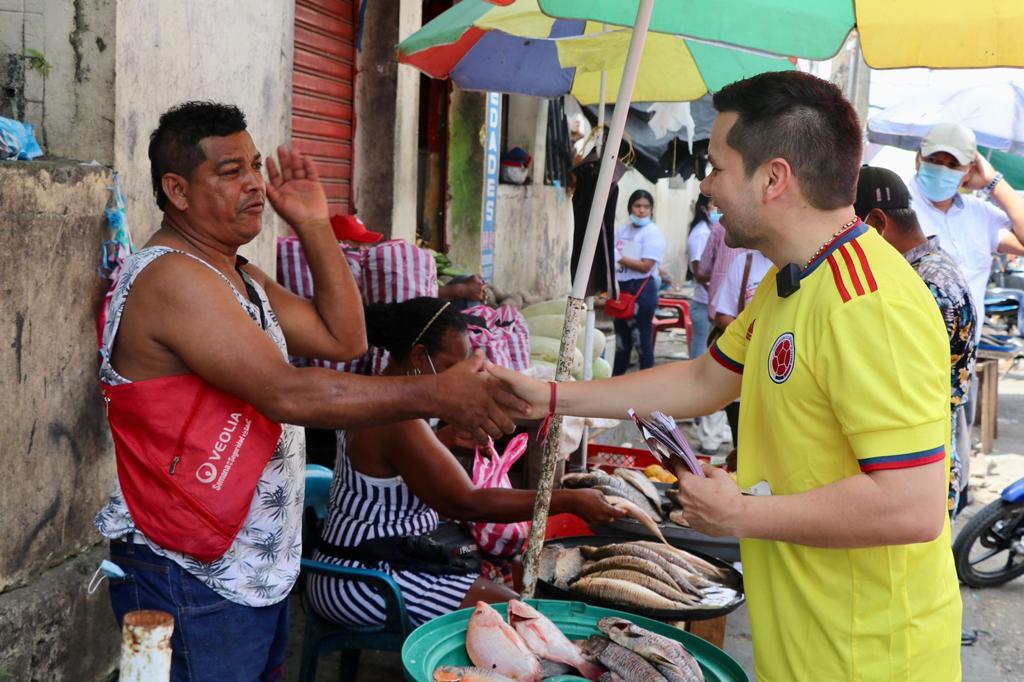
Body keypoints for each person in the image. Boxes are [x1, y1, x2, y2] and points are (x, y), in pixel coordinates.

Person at [493, 72, 961, 680]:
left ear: (773, 179)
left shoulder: (869, 302)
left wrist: (740, 515)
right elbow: (702, 381)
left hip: (870, 655)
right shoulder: (793, 279)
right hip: (804, 641)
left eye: (716, 166)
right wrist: (549, 395)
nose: (706, 185)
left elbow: (912, 507)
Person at [94, 102, 525, 681]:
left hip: (249, 566)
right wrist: (434, 396)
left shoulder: (235, 272)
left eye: (253, 165)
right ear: (177, 189)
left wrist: (315, 224)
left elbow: (344, 339)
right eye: (230, 172)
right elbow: (286, 392)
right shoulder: (172, 276)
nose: (253, 184)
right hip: (189, 567)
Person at [308, 297, 622, 627]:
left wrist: (441, 441)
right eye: (450, 368)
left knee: (480, 562)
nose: (460, 381)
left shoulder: (380, 395)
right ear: (418, 357)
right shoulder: (397, 419)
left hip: (382, 557)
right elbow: (467, 502)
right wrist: (567, 500)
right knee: (523, 618)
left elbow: (387, 467)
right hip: (366, 579)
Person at [855, 165, 977, 518]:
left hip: (919, 466)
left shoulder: (926, 285)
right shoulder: (922, 271)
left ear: (876, 224)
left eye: (850, 231)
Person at [910, 122, 1024, 341]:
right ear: (918, 160)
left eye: (953, 165)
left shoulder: (980, 214)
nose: (942, 169)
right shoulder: (898, 208)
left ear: (970, 170)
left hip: (962, 362)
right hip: (912, 353)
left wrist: (994, 183)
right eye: (933, 161)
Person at [711, 248, 773, 452]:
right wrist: (757, 339)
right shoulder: (744, 263)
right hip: (743, 382)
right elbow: (722, 315)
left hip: (780, 388)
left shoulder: (807, 262)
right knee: (743, 450)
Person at [612, 189, 666, 375]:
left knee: (642, 342)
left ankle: (646, 384)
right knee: (621, 342)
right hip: (622, 289)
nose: (641, 210)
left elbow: (645, 265)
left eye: (646, 207)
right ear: (630, 208)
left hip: (641, 292)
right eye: (637, 206)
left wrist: (619, 257)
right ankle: (616, 384)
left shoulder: (652, 233)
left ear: (651, 209)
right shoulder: (623, 230)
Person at [686, 194, 714, 359]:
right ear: (703, 208)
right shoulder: (702, 233)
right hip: (704, 303)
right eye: (714, 204)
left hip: (708, 302)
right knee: (700, 354)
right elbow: (700, 273)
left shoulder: (710, 230)